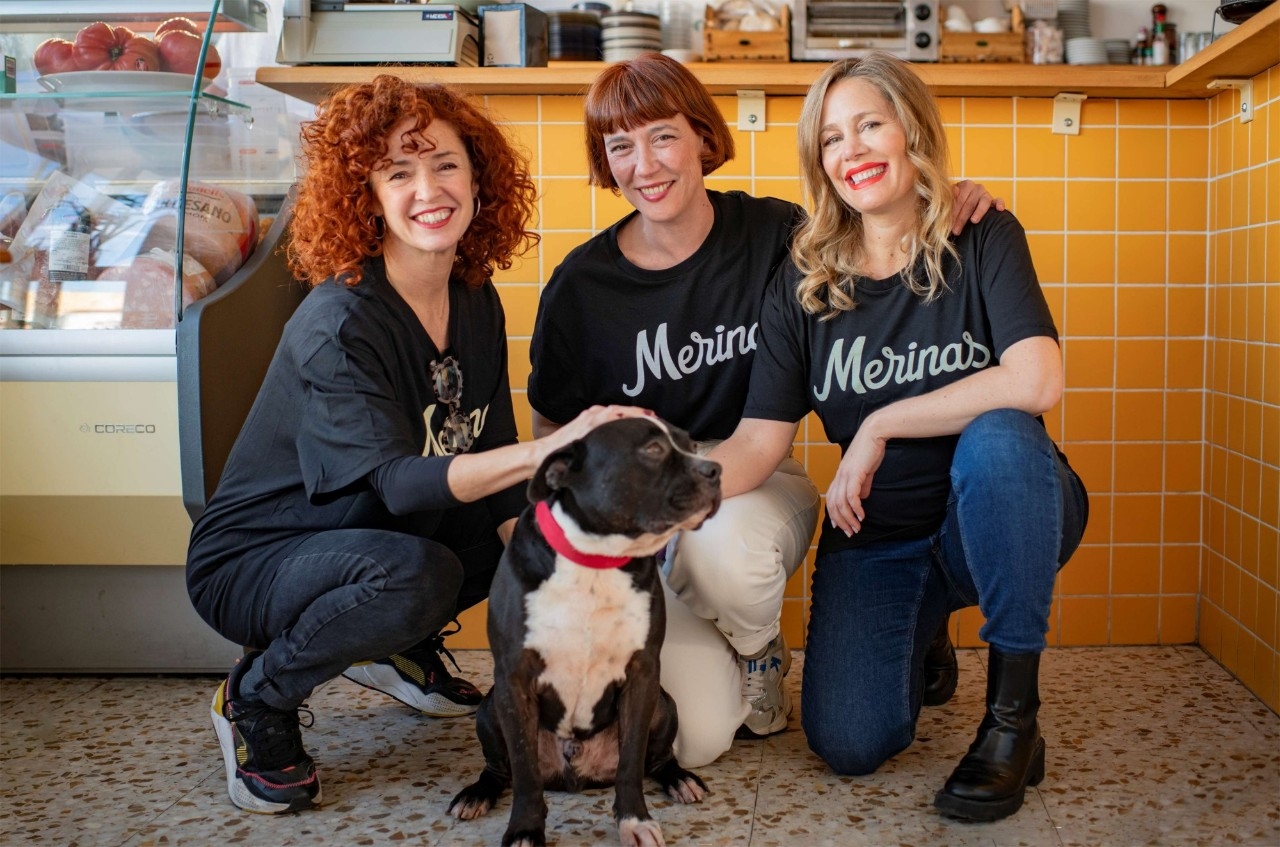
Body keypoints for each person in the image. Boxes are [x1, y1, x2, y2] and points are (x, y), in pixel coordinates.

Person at [527, 52, 1003, 768]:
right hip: (640, 517)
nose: (644, 164)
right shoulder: (581, 287)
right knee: (693, 739)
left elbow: (877, 239)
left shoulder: (776, 236)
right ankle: (724, 645)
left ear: (701, 137)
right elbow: (551, 442)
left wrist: (946, 198)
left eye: (661, 136)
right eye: (619, 146)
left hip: (751, 481)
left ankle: (757, 652)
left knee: (725, 550)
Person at [186, 75, 638, 815]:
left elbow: (487, 463)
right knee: (418, 574)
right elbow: (400, 483)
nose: (429, 188)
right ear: (365, 194)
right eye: (399, 172)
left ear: (478, 177)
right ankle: (257, 695)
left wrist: (552, 578)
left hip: (375, 534)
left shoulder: (471, 291)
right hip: (260, 557)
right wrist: (562, 447)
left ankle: (399, 643)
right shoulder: (340, 321)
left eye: (445, 164)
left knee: (537, 543)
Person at [708, 52, 1089, 822]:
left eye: (870, 124)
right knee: (849, 740)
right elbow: (757, 442)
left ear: (911, 127)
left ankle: (1013, 722)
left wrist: (880, 422)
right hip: (879, 536)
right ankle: (925, 634)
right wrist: (649, 494)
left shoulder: (980, 234)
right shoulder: (804, 279)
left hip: (1004, 505)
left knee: (1002, 436)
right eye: (831, 139)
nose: (852, 151)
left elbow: (1038, 379)